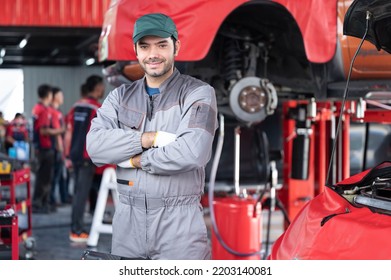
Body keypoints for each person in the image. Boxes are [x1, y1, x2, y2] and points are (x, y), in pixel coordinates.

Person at [86, 13, 218, 259]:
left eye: (161, 45)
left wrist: (135, 160)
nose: (153, 54)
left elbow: (191, 153)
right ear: (135, 51)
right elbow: (95, 147)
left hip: (178, 227)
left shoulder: (198, 94)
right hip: (127, 226)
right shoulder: (119, 97)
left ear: (176, 46)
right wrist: (148, 139)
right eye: (145, 46)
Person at [66, 75, 105, 242]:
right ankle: (77, 230)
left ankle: (77, 226)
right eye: (102, 86)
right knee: (81, 194)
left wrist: (67, 156)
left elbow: (68, 133)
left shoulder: (75, 107)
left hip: (74, 156)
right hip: (87, 157)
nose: (103, 89)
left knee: (78, 193)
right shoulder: (97, 108)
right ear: (96, 88)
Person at [32, 84, 65, 213]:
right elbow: (44, 131)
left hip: (41, 148)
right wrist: (59, 130)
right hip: (45, 148)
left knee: (44, 178)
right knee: (44, 179)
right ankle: (39, 204)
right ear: (49, 95)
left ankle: (42, 203)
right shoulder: (44, 110)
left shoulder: (37, 108)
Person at [49, 87, 70, 208]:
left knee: (61, 175)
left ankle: (61, 197)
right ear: (55, 96)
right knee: (55, 176)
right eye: (60, 95)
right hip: (56, 149)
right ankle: (52, 199)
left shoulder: (57, 111)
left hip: (58, 148)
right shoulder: (54, 112)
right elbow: (57, 133)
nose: (62, 97)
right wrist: (61, 149)